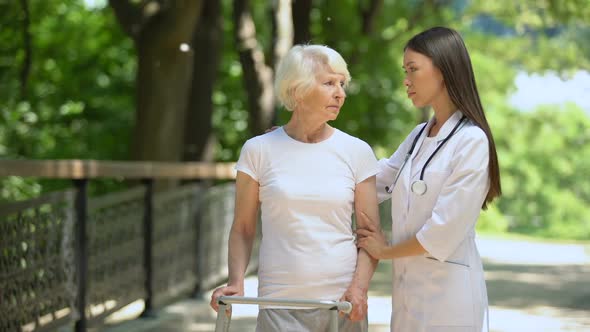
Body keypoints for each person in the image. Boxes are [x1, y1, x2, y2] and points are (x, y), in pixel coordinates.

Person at [210, 44, 381, 332]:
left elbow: (371, 235)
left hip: (342, 304)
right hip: (278, 303)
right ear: (297, 90)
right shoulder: (258, 150)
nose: (340, 93)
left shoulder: (357, 151)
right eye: (329, 83)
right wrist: (235, 282)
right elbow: (243, 227)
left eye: (342, 83)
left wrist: (359, 290)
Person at [356, 26, 502, 331]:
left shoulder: (471, 141)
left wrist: (385, 251)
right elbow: (375, 180)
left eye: (413, 69)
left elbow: (442, 231)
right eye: (404, 70)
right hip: (409, 295)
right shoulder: (418, 136)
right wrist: (308, 154)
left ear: (444, 70)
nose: (406, 80)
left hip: (450, 299)